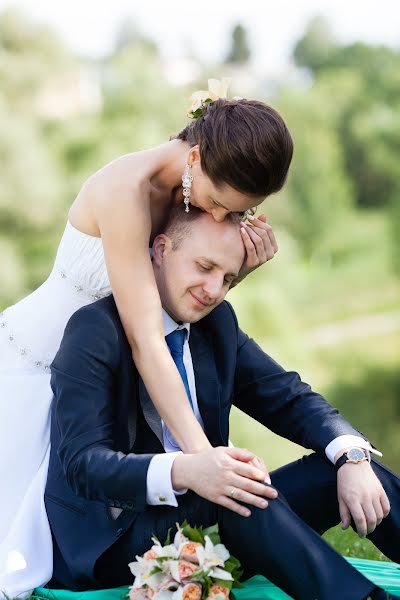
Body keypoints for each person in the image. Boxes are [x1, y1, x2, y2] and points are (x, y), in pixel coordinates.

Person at [0, 79, 293, 595]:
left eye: (238, 213)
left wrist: (237, 271)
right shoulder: (125, 191)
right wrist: (204, 458)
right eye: (220, 204)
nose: (220, 218)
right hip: (32, 367)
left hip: (97, 371)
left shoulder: (193, 185)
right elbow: (147, 339)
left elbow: (178, 303)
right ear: (197, 157)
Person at [44, 207, 399, 600]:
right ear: (160, 250)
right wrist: (187, 471)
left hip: (218, 515)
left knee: (336, 469)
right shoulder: (96, 330)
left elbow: (289, 398)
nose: (213, 289)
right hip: (117, 541)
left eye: (227, 278)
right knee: (235, 489)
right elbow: (84, 465)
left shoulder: (216, 323)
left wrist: (351, 456)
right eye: (204, 266)